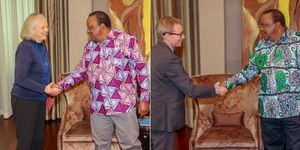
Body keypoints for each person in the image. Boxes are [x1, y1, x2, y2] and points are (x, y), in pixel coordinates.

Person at [57, 11, 150, 150]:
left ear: (102, 26)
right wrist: (59, 86)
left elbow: (141, 70)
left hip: (123, 104)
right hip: (98, 107)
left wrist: (144, 99)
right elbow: (80, 70)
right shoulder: (90, 47)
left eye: (91, 27)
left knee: (131, 146)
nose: (88, 30)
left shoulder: (126, 40)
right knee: (101, 146)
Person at [220, 9, 300, 150]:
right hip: (268, 112)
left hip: (294, 112)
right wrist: (226, 84)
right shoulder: (261, 45)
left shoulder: (297, 41)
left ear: (278, 24)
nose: (261, 28)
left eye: (265, 24)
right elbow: (248, 72)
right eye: (260, 25)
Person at [151, 16, 227, 150]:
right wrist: (214, 90)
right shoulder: (169, 59)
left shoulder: (155, 51)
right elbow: (190, 89)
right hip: (165, 117)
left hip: (159, 115)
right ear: (167, 35)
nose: (183, 37)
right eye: (180, 34)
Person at [10, 13, 61, 150]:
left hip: (38, 99)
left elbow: (41, 72)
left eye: (47, 26)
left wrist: (49, 90)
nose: (47, 30)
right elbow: (20, 78)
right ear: (32, 30)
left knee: (37, 140)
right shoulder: (25, 47)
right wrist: (44, 89)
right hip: (24, 100)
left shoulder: (41, 45)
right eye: (42, 27)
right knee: (26, 142)